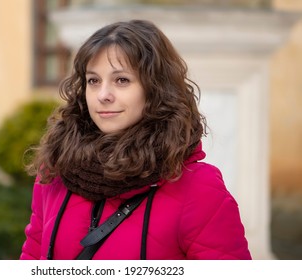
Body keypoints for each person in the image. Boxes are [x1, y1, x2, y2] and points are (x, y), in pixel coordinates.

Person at [20, 19, 252, 260]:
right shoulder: (57, 170)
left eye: (122, 80)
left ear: (155, 89)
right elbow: (33, 255)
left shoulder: (198, 189)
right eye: (93, 80)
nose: (103, 95)